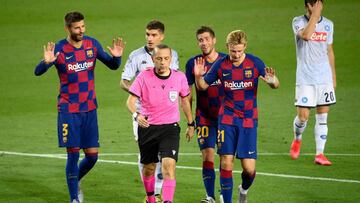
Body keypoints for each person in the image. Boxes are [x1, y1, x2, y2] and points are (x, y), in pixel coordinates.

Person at [34, 11, 125, 203]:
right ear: (67, 28)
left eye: (83, 26)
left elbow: (112, 65)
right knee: (73, 155)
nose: (81, 30)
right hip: (69, 110)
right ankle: (74, 197)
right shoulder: (59, 49)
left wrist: (116, 58)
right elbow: (37, 72)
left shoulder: (92, 44)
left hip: (90, 108)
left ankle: (76, 180)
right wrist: (46, 62)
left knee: (92, 156)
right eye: (77, 27)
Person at [194, 30, 279, 203]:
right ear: (228, 47)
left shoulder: (255, 63)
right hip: (226, 119)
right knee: (226, 161)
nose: (236, 54)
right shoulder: (220, 65)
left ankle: (244, 189)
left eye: (239, 51)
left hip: (248, 120)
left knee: (248, 169)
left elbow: (275, 83)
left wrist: (272, 82)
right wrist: (198, 75)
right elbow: (202, 86)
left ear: (245, 47)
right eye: (233, 51)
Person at [120, 20, 179, 203]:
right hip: (142, 115)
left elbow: (172, 80)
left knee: (166, 158)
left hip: (165, 115)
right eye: (147, 34)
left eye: (154, 35)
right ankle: (151, 194)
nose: (150, 38)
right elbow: (124, 81)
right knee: (148, 159)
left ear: (162, 36)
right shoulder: (136, 56)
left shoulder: (172, 55)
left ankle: (159, 193)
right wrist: (139, 92)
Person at [127, 44, 195, 203]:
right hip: (148, 128)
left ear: (171, 59)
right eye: (159, 59)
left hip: (170, 128)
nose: (163, 62)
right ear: (152, 59)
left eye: (166, 59)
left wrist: (191, 124)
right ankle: (151, 198)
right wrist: (137, 115)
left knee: (169, 166)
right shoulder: (143, 77)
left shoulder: (179, 77)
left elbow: (185, 101)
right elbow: (130, 101)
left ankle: (167, 201)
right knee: (149, 168)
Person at [290, 0, 336, 166]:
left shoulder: (329, 25)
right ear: (306, 6)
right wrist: (315, 15)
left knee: (323, 116)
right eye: (311, 4)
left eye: (317, 4)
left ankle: (320, 154)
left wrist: (333, 76)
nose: (314, 7)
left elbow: (329, 50)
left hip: (324, 78)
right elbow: (306, 35)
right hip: (305, 78)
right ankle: (297, 138)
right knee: (303, 117)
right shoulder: (298, 22)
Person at [185, 26, 226, 203]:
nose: (204, 43)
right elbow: (187, 95)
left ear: (214, 40)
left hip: (226, 118)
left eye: (207, 39)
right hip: (204, 117)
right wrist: (190, 122)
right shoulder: (193, 63)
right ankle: (210, 196)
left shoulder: (226, 60)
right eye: (200, 40)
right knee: (208, 155)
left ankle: (226, 194)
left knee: (226, 157)